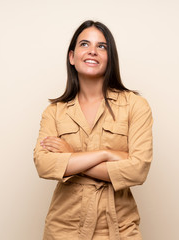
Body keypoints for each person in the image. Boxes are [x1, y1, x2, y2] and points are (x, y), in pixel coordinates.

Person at [33, 20, 153, 240]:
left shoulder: (135, 105)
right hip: (64, 228)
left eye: (101, 46)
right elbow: (44, 165)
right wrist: (107, 155)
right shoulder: (54, 112)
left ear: (110, 57)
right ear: (72, 57)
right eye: (84, 44)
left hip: (120, 228)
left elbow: (138, 170)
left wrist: (71, 158)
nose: (92, 51)